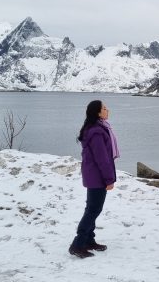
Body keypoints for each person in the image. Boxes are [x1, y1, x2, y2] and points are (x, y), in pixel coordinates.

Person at [69, 100, 119, 258]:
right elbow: (102, 158)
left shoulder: (96, 128)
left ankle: (89, 240)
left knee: (91, 208)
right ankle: (78, 244)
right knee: (93, 210)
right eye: (104, 108)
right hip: (97, 176)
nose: (107, 110)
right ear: (98, 113)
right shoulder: (97, 131)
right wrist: (109, 179)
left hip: (92, 174)